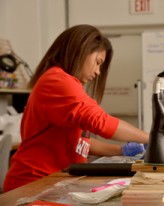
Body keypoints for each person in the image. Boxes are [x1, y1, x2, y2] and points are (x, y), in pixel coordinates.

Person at [3, 24, 148, 192]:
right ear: (81, 51)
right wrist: (151, 138)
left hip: (53, 181)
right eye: (98, 63)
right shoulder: (57, 81)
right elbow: (101, 122)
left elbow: (81, 142)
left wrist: (121, 150)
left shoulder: (64, 82)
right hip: (33, 183)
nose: (98, 72)